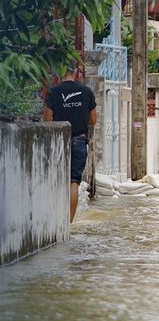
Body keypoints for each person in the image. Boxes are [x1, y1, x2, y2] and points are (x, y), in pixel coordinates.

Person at [44, 67, 97, 223]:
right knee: (73, 182)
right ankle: (69, 222)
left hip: (60, 141)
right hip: (79, 140)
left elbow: (47, 121)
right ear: (75, 71)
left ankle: (55, 220)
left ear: (59, 72)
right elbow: (93, 120)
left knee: (57, 179)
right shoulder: (86, 91)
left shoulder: (53, 91)